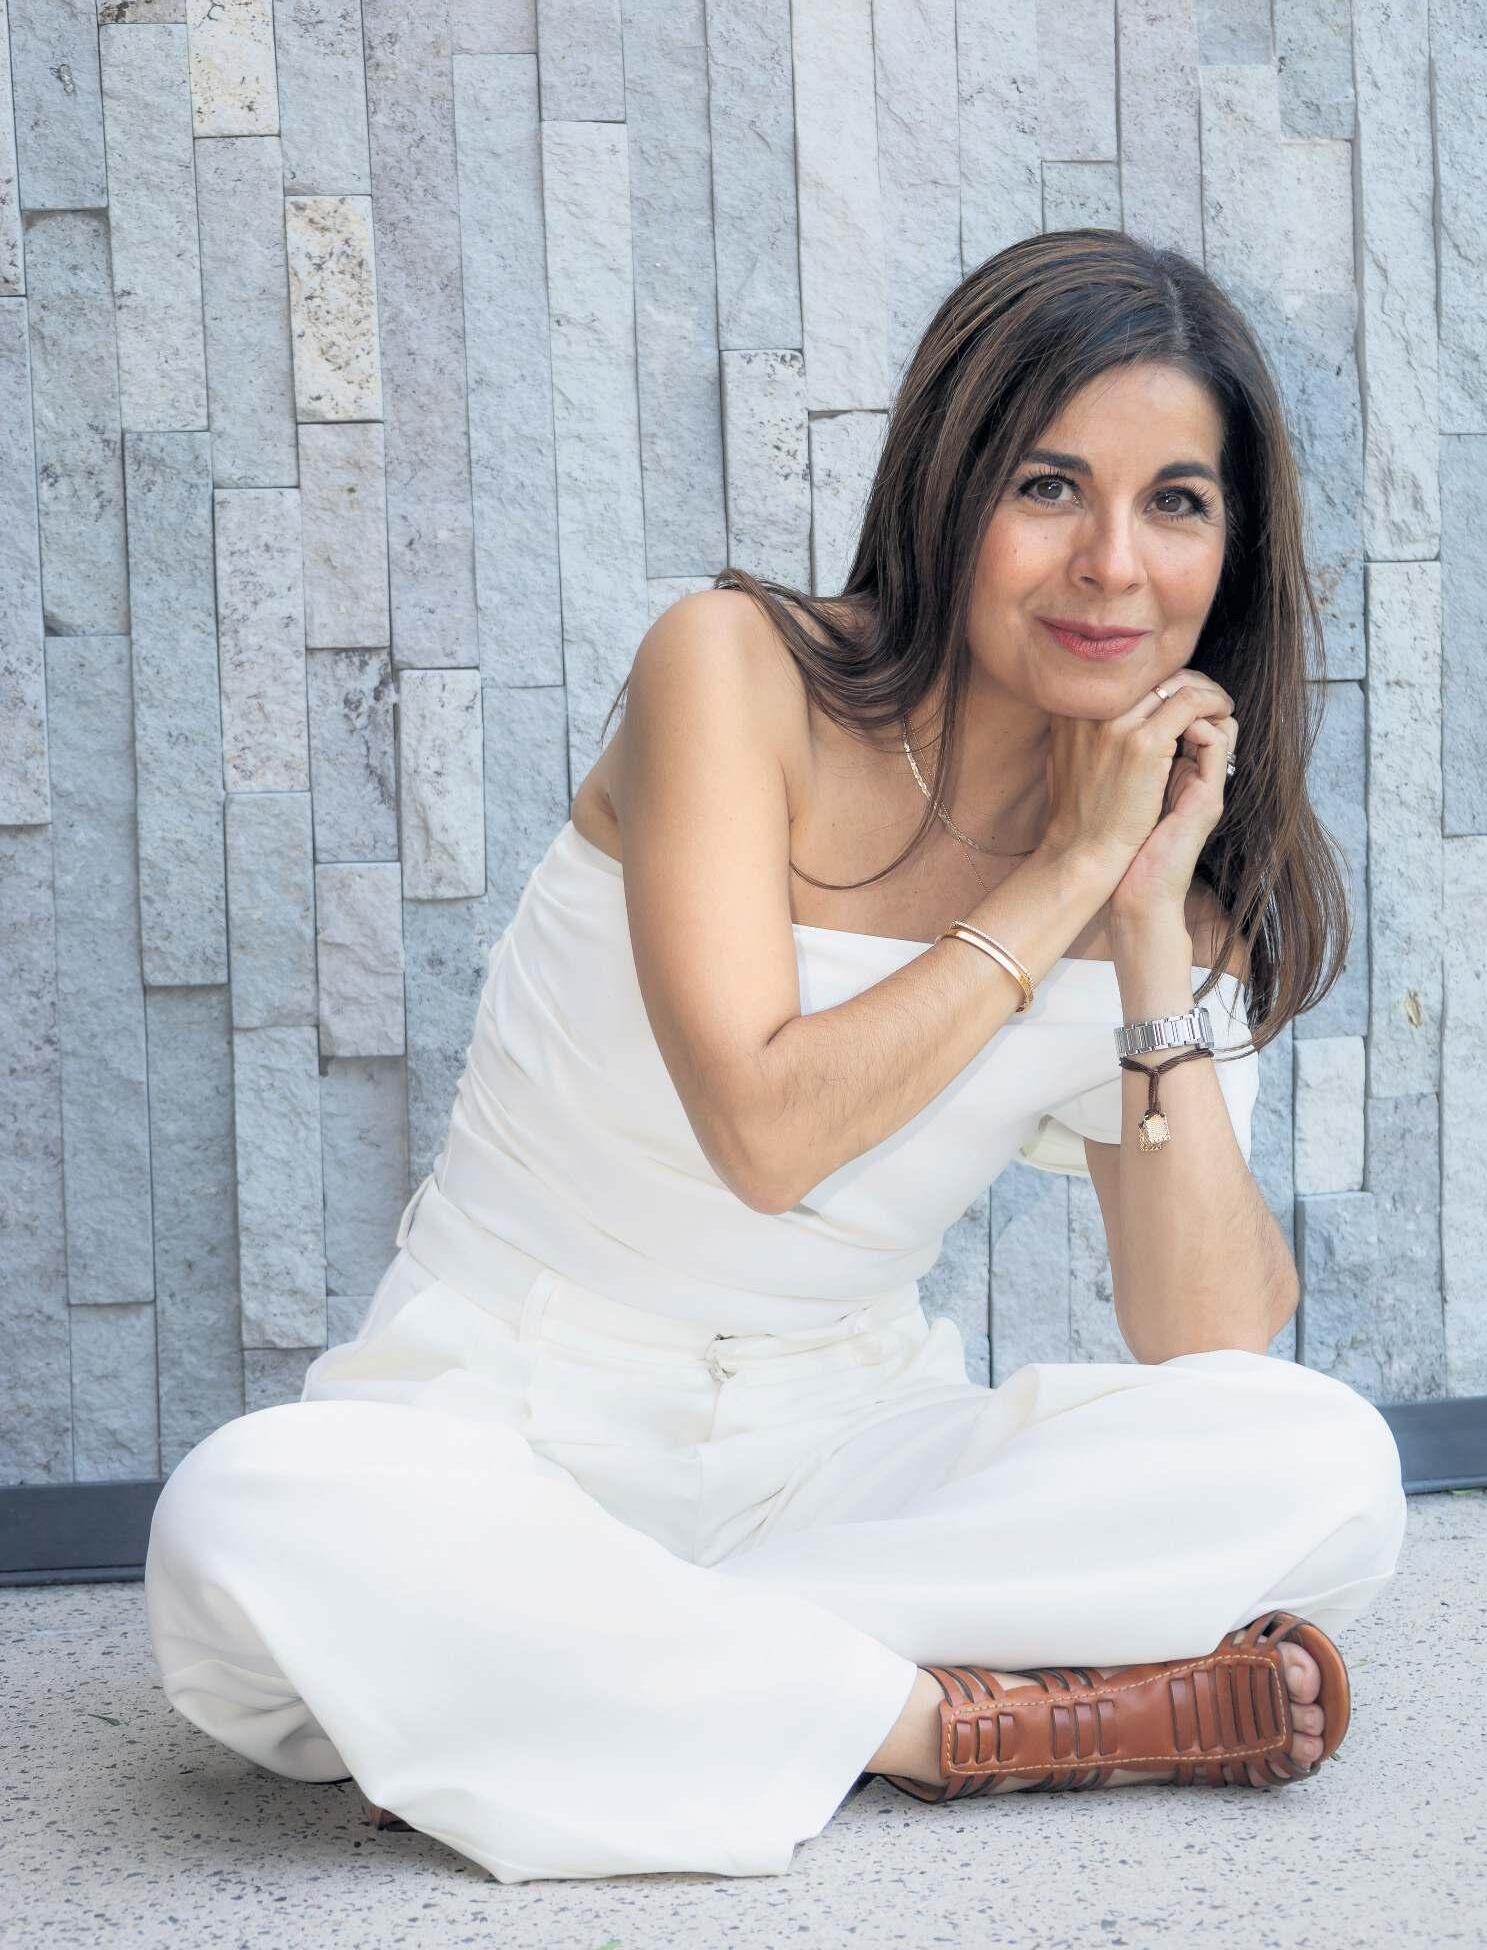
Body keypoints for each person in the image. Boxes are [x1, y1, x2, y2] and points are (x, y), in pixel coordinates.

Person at [142, 229, 1407, 1885]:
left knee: (1328, 1465)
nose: (1112, 563)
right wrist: (1061, 878)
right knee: (245, 1521)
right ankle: (946, 1724)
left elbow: (1210, 1339)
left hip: (841, 1453)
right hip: (503, 1417)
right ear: (950, 486)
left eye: (1175, 501)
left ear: (1229, 553)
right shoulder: (733, 670)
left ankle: (581, 1676)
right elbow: (765, 1130)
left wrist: (1150, 919)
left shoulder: (1154, 863)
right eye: (1049, 487)